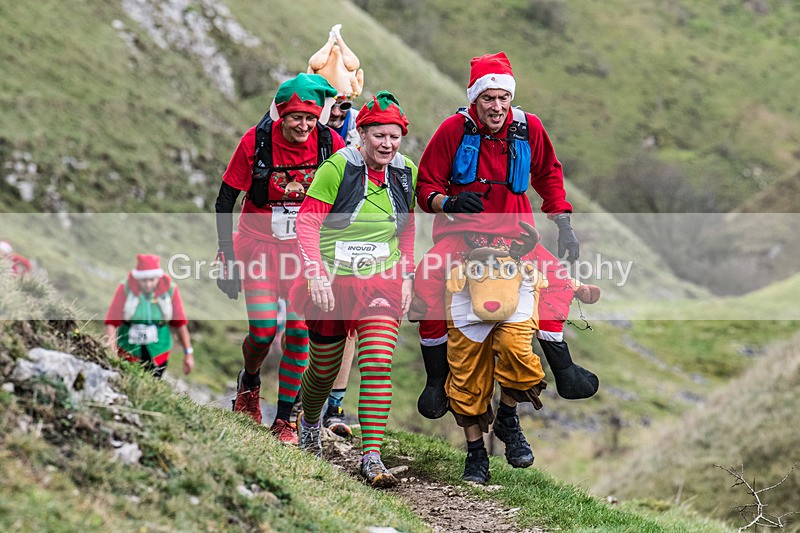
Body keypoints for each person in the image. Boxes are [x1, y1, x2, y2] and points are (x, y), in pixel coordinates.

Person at [412, 52, 600, 483]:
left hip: (518, 242)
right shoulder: (452, 131)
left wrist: (563, 222)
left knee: (554, 288)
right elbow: (425, 187)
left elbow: (550, 175)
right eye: (488, 99)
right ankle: (446, 396)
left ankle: (532, 396)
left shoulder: (528, 128)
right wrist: (450, 203)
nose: (496, 107)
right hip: (460, 240)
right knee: (428, 284)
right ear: (475, 100)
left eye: (503, 98)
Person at [290, 91, 416, 488]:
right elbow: (307, 224)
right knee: (324, 371)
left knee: (378, 361)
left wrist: (408, 273)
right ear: (361, 133)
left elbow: (407, 227)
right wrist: (315, 272)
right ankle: (309, 421)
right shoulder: (337, 168)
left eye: (394, 137)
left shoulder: (404, 171)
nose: (386, 144)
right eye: (379, 135)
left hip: (382, 278)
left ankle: (372, 457)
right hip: (332, 279)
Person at [214, 73, 346, 444]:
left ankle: (284, 419)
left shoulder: (328, 143)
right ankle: (250, 382)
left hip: (305, 250)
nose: (304, 126)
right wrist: (226, 255)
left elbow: (346, 194)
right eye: (296, 118)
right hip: (258, 245)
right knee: (262, 330)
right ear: (281, 116)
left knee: (300, 332)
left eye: (310, 117)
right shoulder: (255, 142)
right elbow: (225, 201)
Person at [306, 23, 366, 437]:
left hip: (344, 232)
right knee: (303, 322)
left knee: (346, 323)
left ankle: (335, 406)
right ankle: (299, 401)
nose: (340, 113)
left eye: (345, 106)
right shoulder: (301, 121)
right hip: (302, 229)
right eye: (333, 105)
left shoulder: (360, 126)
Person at [105, 254, 194, 378]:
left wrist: (188, 353)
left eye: (152, 280)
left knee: (153, 382)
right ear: (137, 278)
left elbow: (179, 323)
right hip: (128, 350)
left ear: (158, 277)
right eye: (144, 280)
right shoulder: (125, 288)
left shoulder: (170, 290)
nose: (148, 284)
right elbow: (112, 322)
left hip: (159, 352)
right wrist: (111, 354)